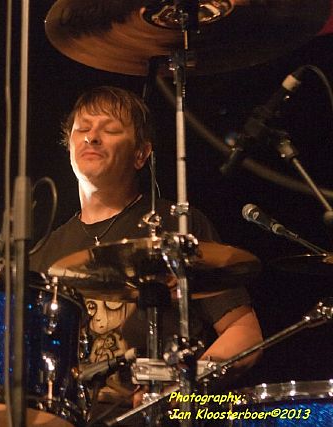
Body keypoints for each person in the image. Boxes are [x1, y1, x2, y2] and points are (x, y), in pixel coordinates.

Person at [29, 86, 263, 413]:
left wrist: (182, 389)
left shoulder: (177, 226)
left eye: (110, 129)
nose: (92, 137)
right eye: (82, 129)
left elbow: (244, 334)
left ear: (141, 154)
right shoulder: (42, 255)